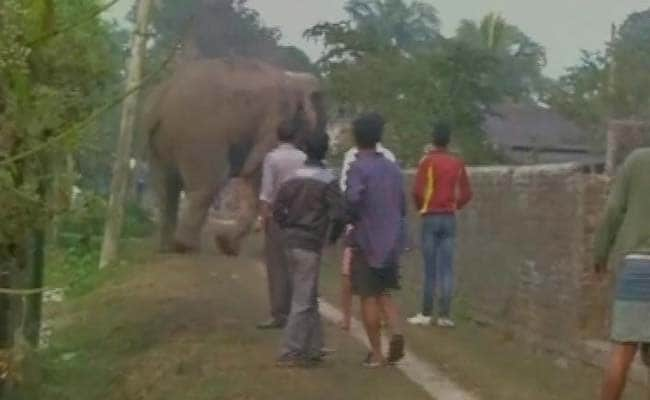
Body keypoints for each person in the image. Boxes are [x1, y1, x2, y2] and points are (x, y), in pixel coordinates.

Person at [272, 133, 346, 367]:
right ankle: (290, 351)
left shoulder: (292, 178)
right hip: (310, 243)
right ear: (325, 152)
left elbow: (277, 210)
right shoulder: (328, 181)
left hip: (290, 241)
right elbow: (340, 214)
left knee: (309, 296)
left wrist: (286, 227)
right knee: (303, 300)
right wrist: (331, 238)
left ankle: (314, 347)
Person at [346, 113, 406, 367]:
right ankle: (396, 330)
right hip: (391, 241)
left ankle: (376, 353)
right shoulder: (392, 168)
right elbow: (401, 205)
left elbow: (352, 200)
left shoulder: (358, 167)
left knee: (368, 296)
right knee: (385, 292)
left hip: (367, 241)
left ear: (356, 138)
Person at [594, 148, 650, 400]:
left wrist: (600, 255)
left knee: (622, 351)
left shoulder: (637, 160)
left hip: (637, 265)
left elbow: (613, 211)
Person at [408, 122, 472, 328]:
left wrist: (422, 207)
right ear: (449, 140)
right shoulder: (457, 163)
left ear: (433, 139)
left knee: (430, 268)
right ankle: (445, 315)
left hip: (430, 215)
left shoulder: (427, 162)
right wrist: (455, 205)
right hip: (449, 217)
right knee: (447, 268)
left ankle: (426, 313)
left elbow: (417, 191)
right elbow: (467, 193)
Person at [338, 141, 396, 331]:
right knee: (381, 281)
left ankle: (348, 318)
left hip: (361, 226)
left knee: (352, 275)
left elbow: (347, 193)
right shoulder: (389, 158)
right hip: (385, 227)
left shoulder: (353, 159)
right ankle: (388, 322)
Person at [257, 119, 307, 330]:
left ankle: (279, 313)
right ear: (295, 137)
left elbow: (267, 192)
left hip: (278, 216)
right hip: (302, 216)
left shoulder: (272, 158)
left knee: (277, 266)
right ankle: (300, 312)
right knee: (299, 266)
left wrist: (264, 218)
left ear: (278, 137)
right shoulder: (304, 158)